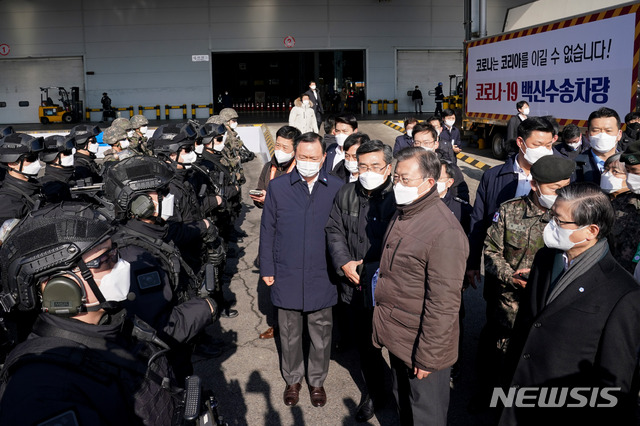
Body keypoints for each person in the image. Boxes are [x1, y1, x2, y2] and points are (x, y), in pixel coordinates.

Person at [0, 205, 186, 425]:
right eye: (106, 261)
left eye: (115, 252)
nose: (123, 265)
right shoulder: (45, 392)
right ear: (62, 287)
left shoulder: (112, 322)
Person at [500, 183, 640, 425]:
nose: (550, 224)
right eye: (551, 215)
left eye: (559, 220)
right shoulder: (546, 258)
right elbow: (527, 324)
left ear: (591, 230)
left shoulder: (622, 293)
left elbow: (615, 379)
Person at [372, 147, 469, 426]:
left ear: (429, 183)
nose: (398, 185)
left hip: (423, 347)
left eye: (405, 179)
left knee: (426, 415)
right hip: (398, 336)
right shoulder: (405, 212)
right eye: (396, 179)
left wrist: (428, 358)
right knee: (405, 405)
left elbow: (444, 304)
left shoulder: (444, 231)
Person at [476, 155, 574, 409]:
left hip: (552, 306)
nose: (562, 194)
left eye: (566, 186)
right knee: (502, 360)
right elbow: (490, 251)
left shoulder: (573, 215)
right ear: (535, 185)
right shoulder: (510, 211)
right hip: (510, 306)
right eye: (555, 189)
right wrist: (510, 276)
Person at [259, 132, 344, 408]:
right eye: (303, 157)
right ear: (295, 157)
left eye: (313, 157)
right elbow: (267, 229)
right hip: (287, 270)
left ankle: (316, 381)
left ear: (323, 158)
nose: (308, 162)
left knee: (321, 331)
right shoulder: (279, 187)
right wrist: (267, 267)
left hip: (322, 272)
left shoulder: (336, 187)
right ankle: (293, 379)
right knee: (289, 330)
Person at [326, 140, 395, 422]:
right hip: (354, 284)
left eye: (375, 166)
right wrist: (344, 262)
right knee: (367, 345)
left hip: (389, 286)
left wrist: (370, 267)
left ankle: (403, 394)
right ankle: (375, 393)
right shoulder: (346, 193)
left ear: (388, 168)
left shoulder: (399, 196)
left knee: (398, 346)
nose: (368, 171)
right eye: (362, 165)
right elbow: (334, 230)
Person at [467, 116, 555, 290]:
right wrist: (472, 262)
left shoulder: (560, 179)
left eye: (548, 145)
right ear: (521, 142)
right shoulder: (494, 177)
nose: (544, 151)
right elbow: (478, 222)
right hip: (501, 277)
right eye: (537, 145)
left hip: (544, 277)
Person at [250, 125, 301, 340]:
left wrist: (270, 199)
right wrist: (261, 199)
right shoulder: (270, 166)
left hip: (294, 236)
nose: (279, 149)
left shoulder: (302, 170)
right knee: (272, 281)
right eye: (277, 144)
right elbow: (262, 193)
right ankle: (277, 325)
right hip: (271, 232)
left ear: (295, 150)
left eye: (285, 147)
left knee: (294, 281)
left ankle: (298, 326)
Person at [610, 140, 640, 275]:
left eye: (635, 171)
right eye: (628, 171)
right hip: (620, 280)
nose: (631, 177)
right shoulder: (619, 204)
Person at [0, 133, 45, 224]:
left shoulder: (34, 187)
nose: (37, 162)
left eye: (37, 157)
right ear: (11, 163)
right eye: (31, 158)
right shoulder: (8, 204)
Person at [574, 107, 622, 184]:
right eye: (596, 130)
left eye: (608, 131)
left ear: (619, 134)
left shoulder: (629, 165)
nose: (602, 135)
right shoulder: (575, 166)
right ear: (587, 135)